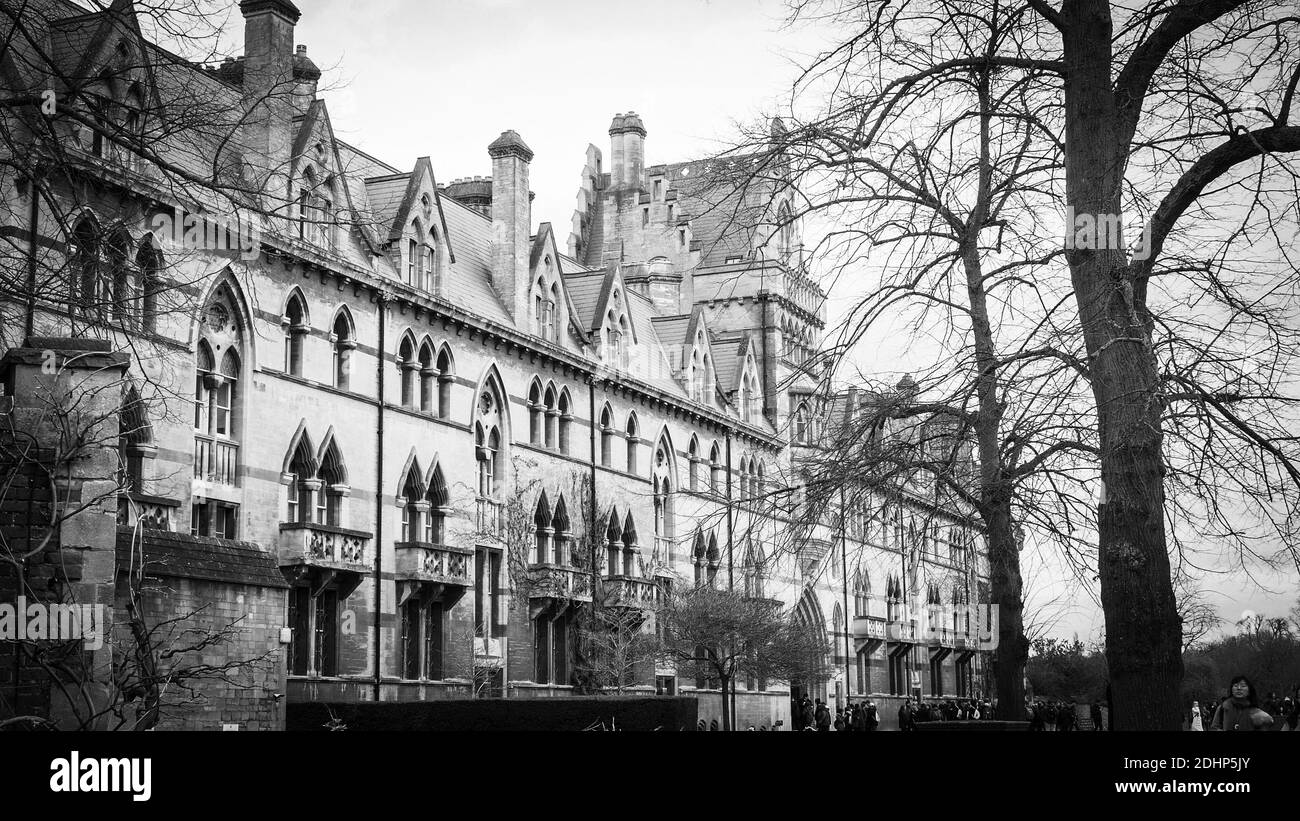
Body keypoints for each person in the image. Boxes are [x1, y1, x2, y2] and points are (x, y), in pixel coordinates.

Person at [1209, 675, 1274, 731]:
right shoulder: (1223, 708)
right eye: (1235, 686)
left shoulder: (1255, 712)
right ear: (1231, 689)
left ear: (1249, 690)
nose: (1239, 688)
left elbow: (1269, 721)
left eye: (1243, 686)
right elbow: (1214, 728)